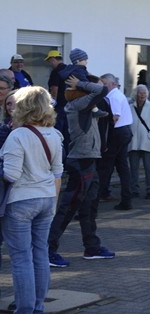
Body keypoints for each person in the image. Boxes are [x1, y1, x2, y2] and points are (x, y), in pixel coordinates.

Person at [1, 86, 63, 313]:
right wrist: (54, 203)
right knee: (40, 253)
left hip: (21, 201)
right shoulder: (55, 134)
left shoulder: (18, 135)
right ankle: (37, 306)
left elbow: (10, 175)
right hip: (46, 199)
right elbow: (58, 171)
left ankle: (25, 309)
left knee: (21, 258)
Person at [48, 75, 116, 268]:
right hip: (81, 162)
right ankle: (48, 248)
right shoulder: (79, 104)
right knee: (68, 207)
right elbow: (101, 91)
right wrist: (80, 84)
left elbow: (101, 110)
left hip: (88, 160)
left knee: (89, 205)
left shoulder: (85, 107)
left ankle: (92, 247)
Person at [97, 74, 134, 210]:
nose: (103, 87)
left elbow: (115, 117)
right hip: (123, 132)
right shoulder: (115, 95)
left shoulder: (113, 97)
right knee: (122, 167)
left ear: (112, 84)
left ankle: (95, 200)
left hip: (117, 133)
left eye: (105, 84)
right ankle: (126, 199)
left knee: (105, 167)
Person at [129, 84, 150, 199]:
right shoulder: (130, 106)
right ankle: (134, 189)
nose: (142, 95)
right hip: (133, 141)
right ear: (135, 94)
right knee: (133, 168)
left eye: (144, 93)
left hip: (147, 141)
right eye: (140, 93)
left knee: (149, 168)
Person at [45, 50, 70, 152]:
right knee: (67, 133)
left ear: (53, 59)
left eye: (50, 61)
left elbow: (54, 87)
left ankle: (58, 154)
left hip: (60, 106)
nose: (50, 64)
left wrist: (52, 101)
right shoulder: (68, 69)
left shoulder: (56, 71)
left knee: (57, 132)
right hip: (70, 105)